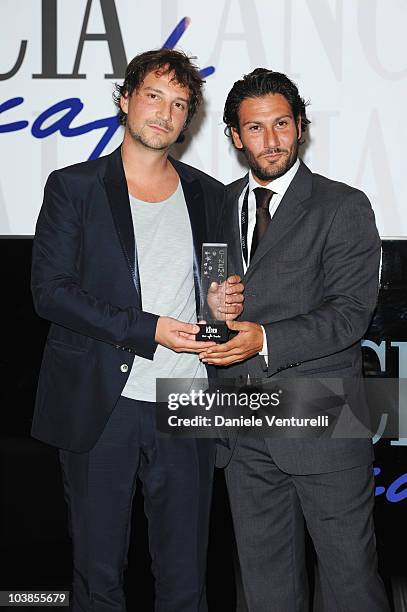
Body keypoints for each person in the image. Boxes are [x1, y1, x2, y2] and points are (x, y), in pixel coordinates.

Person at [31, 48, 243, 612]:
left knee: (185, 580)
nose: (165, 113)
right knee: (97, 577)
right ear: (126, 99)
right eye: (154, 95)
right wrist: (152, 330)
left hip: (189, 400)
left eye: (179, 104)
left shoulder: (210, 194)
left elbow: (218, 281)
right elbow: (50, 293)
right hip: (103, 400)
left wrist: (223, 304)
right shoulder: (73, 187)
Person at [199, 69, 389, 611]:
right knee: (265, 589)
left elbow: (351, 314)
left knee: (351, 583)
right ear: (236, 137)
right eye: (255, 128)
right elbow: (207, 301)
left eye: (281, 124)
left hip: (321, 417)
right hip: (241, 421)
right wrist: (213, 314)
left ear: (300, 127)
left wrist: (265, 338)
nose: (271, 140)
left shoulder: (342, 206)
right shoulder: (215, 207)